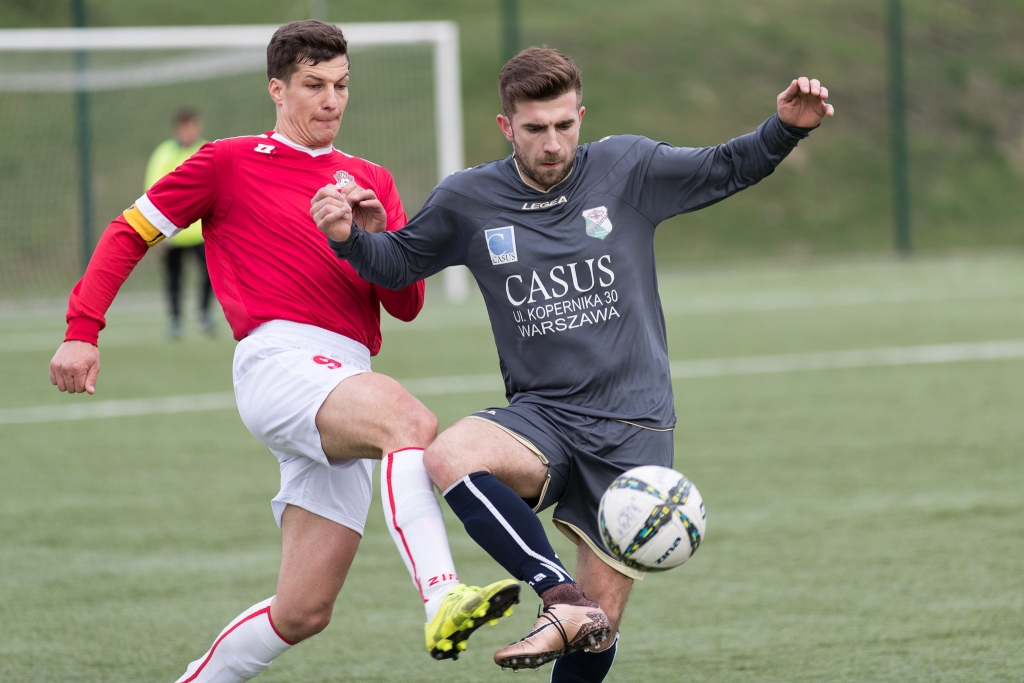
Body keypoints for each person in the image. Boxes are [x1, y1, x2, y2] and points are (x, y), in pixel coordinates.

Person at [314, 47, 833, 680]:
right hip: (543, 416)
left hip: (633, 428)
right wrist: (351, 238)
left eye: (565, 125)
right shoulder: (467, 199)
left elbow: (726, 166)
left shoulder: (628, 168)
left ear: (581, 116)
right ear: (507, 127)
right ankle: (558, 594)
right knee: (449, 455)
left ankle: (575, 615)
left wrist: (786, 128)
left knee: (597, 633)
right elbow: (397, 265)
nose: (553, 143)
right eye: (535, 128)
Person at [48, 20, 517, 683]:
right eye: (314, 85)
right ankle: (443, 594)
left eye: (342, 85)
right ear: (277, 89)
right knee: (407, 420)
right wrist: (82, 328)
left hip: (345, 375)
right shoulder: (227, 161)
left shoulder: (371, 180)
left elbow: (405, 305)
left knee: (303, 610)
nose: (331, 100)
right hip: (278, 362)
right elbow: (130, 231)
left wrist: (374, 238)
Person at [145, 107, 216, 338]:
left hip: (201, 232)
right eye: (185, 127)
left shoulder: (208, 150)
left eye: (193, 126)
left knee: (210, 274)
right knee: (174, 277)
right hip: (172, 231)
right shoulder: (164, 154)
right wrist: (158, 228)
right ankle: (175, 319)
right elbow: (153, 190)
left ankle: (204, 315)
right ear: (177, 129)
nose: (189, 131)